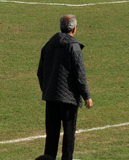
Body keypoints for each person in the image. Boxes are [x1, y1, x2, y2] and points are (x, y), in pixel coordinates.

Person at [37, 15, 93, 160]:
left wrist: (47, 89)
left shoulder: (48, 44)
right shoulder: (73, 46)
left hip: (51, 96)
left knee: (52, 134)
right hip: (68, 98)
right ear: (74, 29)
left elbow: (40, 72)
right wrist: (86, 95)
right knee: (69, 134)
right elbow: (79, 74)